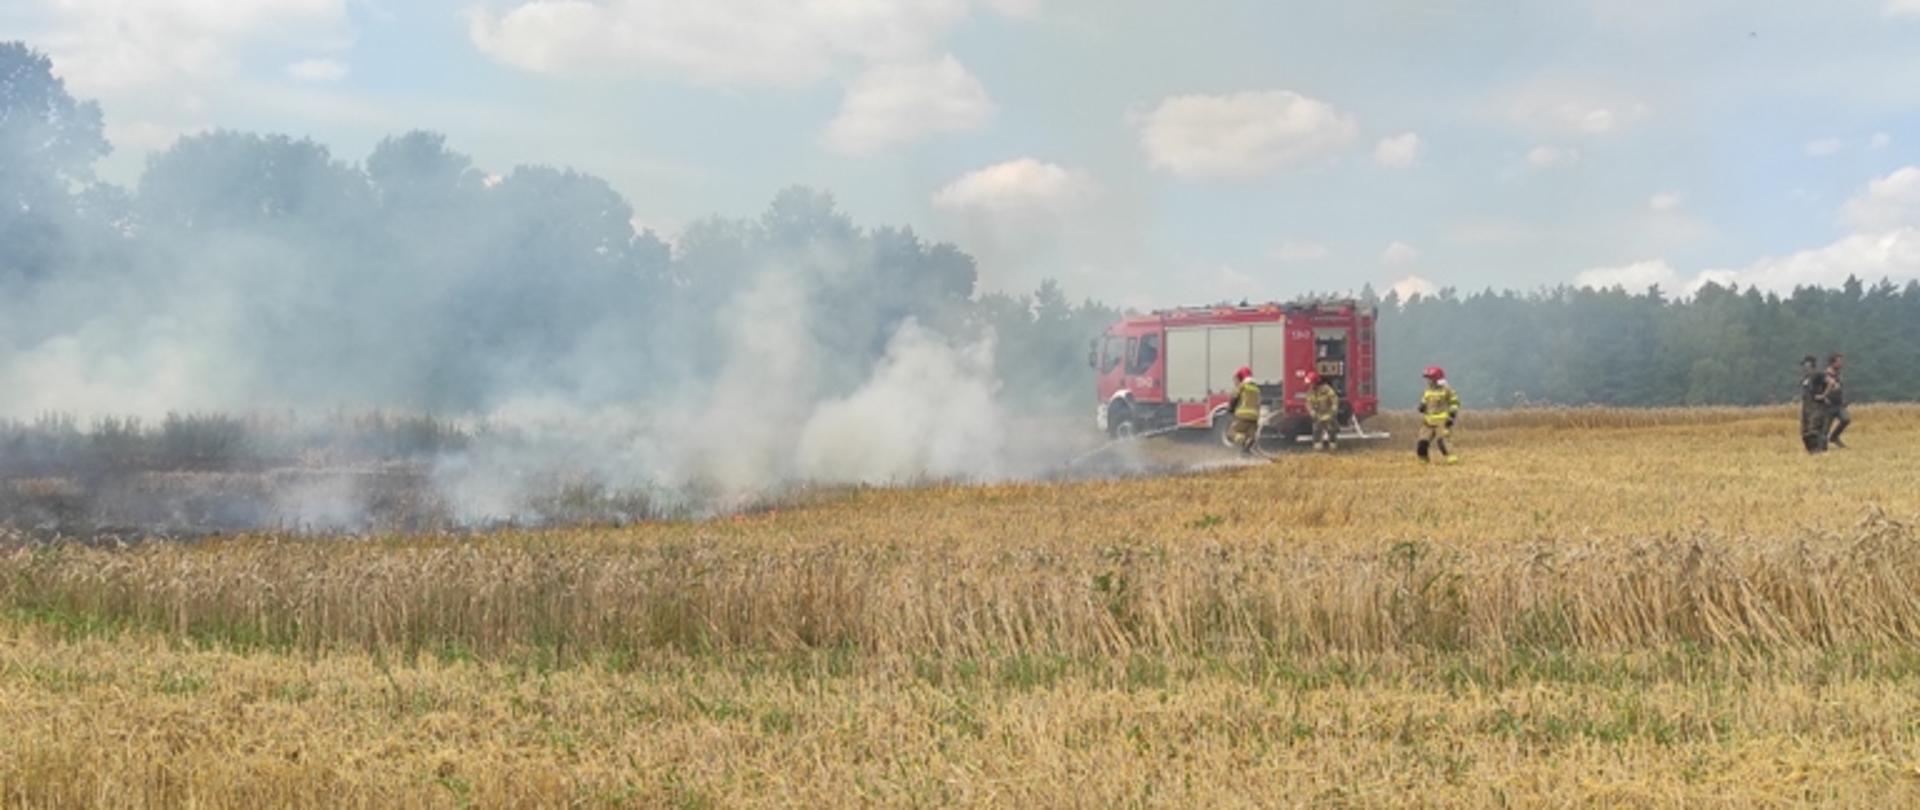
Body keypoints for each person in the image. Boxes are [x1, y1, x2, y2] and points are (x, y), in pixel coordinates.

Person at [1416, 366, 1461, 464]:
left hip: (1442, 421)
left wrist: (1451, 416)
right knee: (1422, 442)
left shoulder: (1447, 390)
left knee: (1442, 441)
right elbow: (1424, 400)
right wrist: (1422, 405)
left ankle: (1451, 458)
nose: (1428, 381)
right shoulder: (1428, 390)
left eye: (1430, 378)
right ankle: (1423, 460)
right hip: (1428, 421)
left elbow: (1454, 403)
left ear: (1437, 379)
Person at [1226, 366, 1261, 455]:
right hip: (1254, 418)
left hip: (1243, 416)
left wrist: (1230, 409)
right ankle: (1246, 451)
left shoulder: (1242, 386)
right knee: (1250, 438)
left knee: (1230, 434)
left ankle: (1244, 439)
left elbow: (1234, 398)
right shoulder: (1256, 388)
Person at [1800, 355, 1829, 454]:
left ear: (1810, 365)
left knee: (1814, 429)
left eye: (1805, 364)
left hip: (1816, 406)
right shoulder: (1806, 377)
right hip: (1806, 406)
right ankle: (1811, 450)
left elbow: (1830, 383)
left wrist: (1823, 395)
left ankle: (1819, 449)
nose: (1804, 367)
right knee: (1805, 431)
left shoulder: (1818, 374)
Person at [1305, 371, 1340, 452]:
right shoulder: (1310, 392)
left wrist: (1333, 410)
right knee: (1316, 430)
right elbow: (1308, 403)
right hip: (1318, 415)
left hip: (1328, 414)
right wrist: (1311, 411)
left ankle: (1333, 445)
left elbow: (1334, 400)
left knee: (1331, 430)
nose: (1310, 385)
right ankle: (1318, 446)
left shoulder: (1326, 390)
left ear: (1316, 382)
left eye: (1311, 383)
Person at [1825, 353, 1851, 449]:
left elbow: (1840, 389)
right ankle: (1820, 445)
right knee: (1825, 428)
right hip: (1828, 406)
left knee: (1846, 419)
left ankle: (1834, 437)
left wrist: (1843, 400)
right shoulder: (1826, 375)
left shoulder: (1838, 375)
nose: (1841, 364)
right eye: (1839, 362)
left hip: (1839, 405)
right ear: (1833, 363)